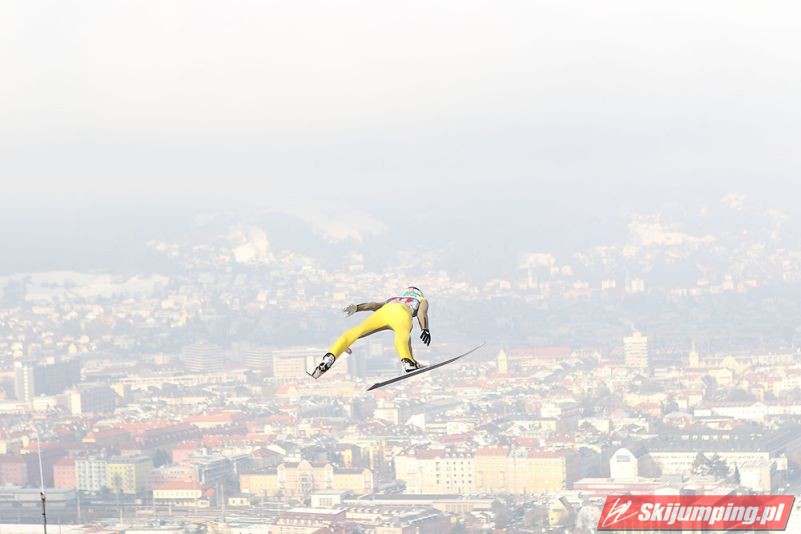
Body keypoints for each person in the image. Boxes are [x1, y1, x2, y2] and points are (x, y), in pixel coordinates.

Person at [311, 286, 431, 378]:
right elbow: (422, 313)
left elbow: (373, 305)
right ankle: (407, 361)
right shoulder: (421, 299)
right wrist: (425, 329)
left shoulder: (393, 299)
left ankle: (329, 357)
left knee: (356, 331)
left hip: (383, 313)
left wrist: (357, 308)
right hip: (402, 313)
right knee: (402, 334)